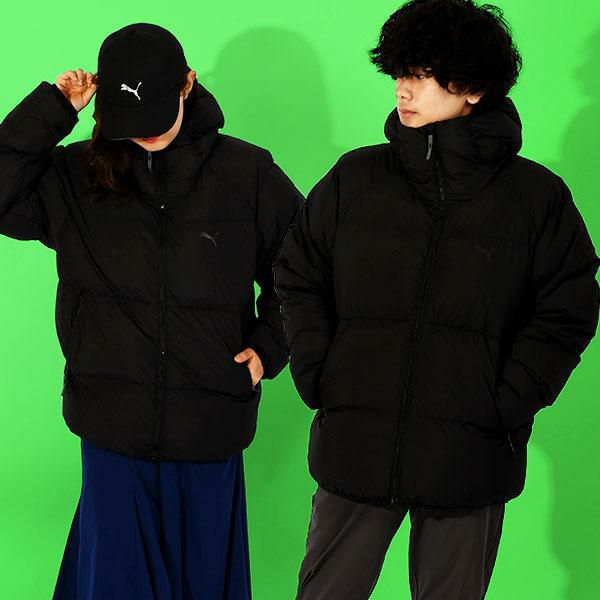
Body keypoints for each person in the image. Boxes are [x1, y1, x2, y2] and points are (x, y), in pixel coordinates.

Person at [272, 1, 600, 598]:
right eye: (400, 72)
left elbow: (569, 306)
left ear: (473, 88)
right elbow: (298, 272)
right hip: (357, 447)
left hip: (468, 457)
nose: (403, 88)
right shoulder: (355, 179)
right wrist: (321, 373)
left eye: (422, 75)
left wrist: (506, 401)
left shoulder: (536, 199)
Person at [0, 22, 302, 599]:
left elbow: (307, 270)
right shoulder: (77, 176)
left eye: (155, 114)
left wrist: (269, 348)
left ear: (188, 84)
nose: (144, 133)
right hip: (112, 427)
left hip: (209, 424)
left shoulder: (247, 174)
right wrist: (52, 109)